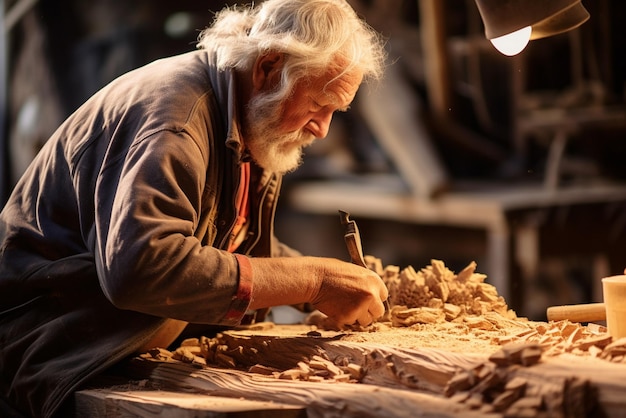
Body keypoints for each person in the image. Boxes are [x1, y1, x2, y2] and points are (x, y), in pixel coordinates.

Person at [0, 0, 388, 416]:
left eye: (335, 111)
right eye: (316, 106)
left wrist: (330, 284)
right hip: (52, 348)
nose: (323, 128)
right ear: (269, 66)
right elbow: (142, 267)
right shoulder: (177, 121)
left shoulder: (249, 111)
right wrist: (314, 280)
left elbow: (230, 238)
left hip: (110, 336)